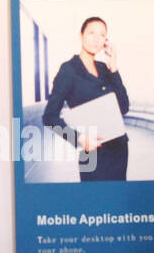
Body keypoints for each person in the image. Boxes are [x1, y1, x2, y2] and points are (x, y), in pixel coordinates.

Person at [41, 16, 130, 182]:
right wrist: (78, 138)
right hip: (93, 153)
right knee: (95, 203)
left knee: (117, 203)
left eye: (102, 35)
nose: (97, 39)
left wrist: (114, 66)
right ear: (81, 35)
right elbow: (49, 117)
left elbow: (124, 107)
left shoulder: (105, 68)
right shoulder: (68, 70)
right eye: (91, 33)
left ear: (106, 41)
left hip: (119, 148)